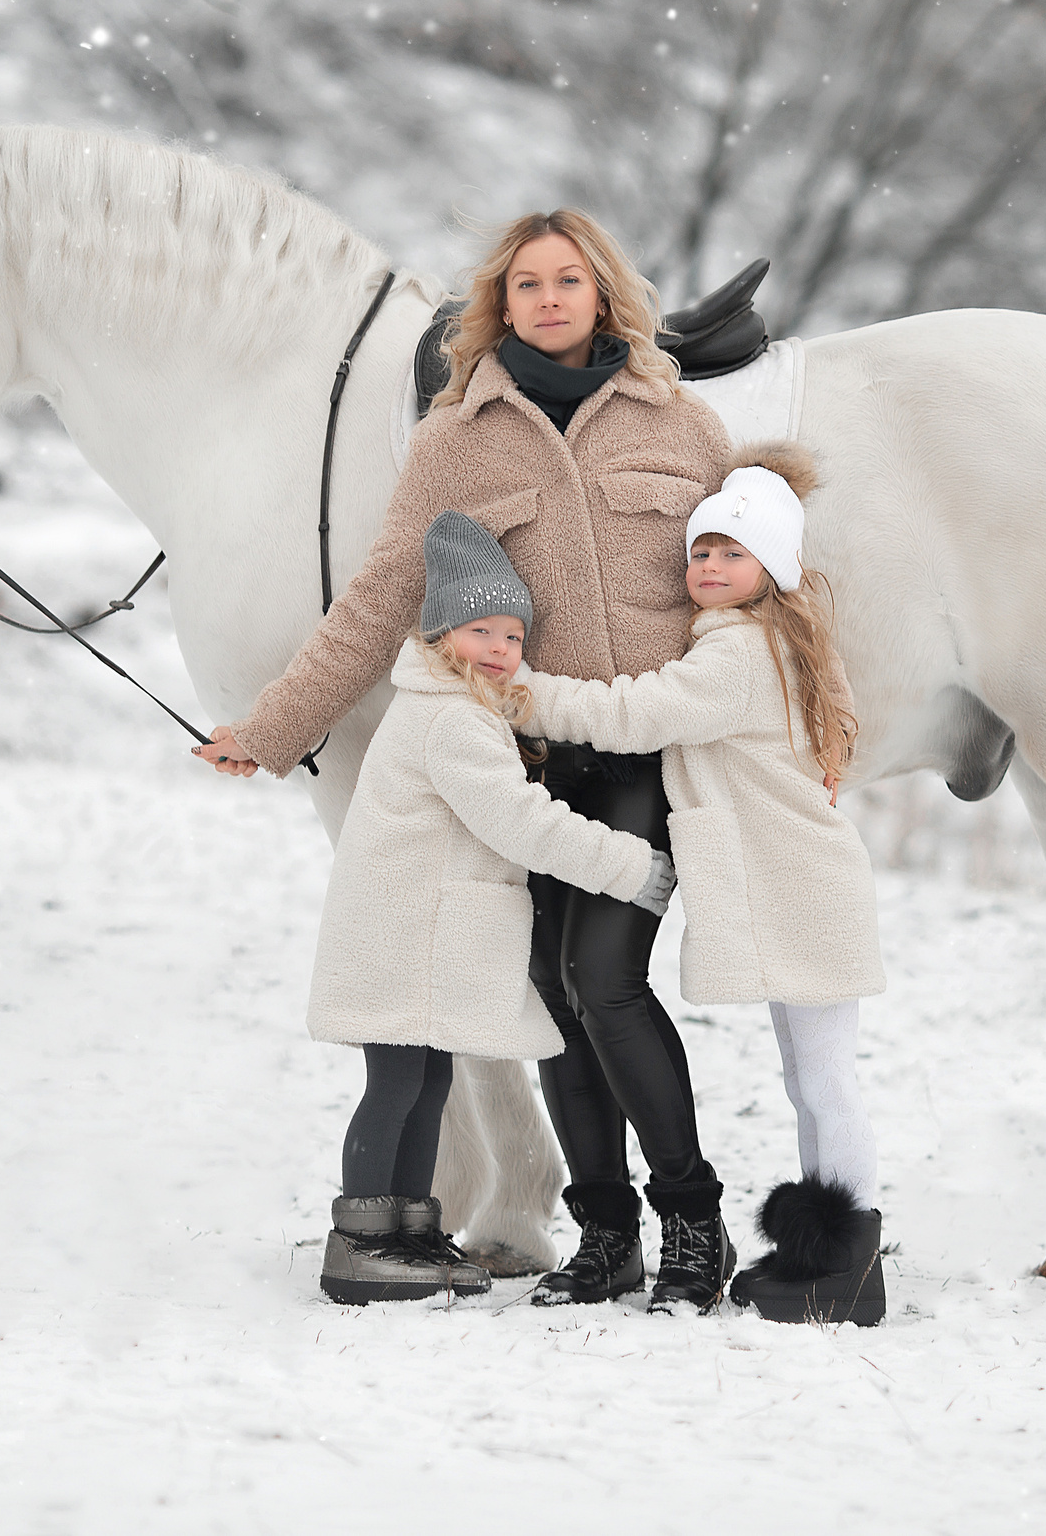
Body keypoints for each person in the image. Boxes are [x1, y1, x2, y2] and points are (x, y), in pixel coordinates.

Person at [199, 210, 739, 1310]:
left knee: (606, 982)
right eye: (527, 283)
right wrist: (271, 728)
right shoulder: (454, 438)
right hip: (522, 760)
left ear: (602, 293)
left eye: (568, 280)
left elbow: (754, 593)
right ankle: (605, 1235)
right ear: (501, 303)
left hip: (639, 752)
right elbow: (383, 594)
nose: (548, 299)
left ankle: (694, 1221)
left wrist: (803, 725)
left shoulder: (682, 423)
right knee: (550, 997)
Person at [519, 447, 890, 1325]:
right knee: (811, 1076)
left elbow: (632, 712)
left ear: (776, 567)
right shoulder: (776, 642)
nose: (710, 566)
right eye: (701, 551)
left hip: (803, 890)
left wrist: (523, 693)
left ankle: (850, 1265)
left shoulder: (736, 656)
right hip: (799, 883)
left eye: (733, 552)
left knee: (825, 1080)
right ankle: (830, 1255)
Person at [300, 512, 678, 1304]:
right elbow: (520, 821)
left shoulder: (459, 706)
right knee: (396, 1086)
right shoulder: (451, 719)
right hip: (406, 934)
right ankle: (361, 1241)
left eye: (513, 634)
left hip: (417, 934)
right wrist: (625, 865)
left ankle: (408, 1229)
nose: (502, 647)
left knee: (426, 1082)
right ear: (442, 636)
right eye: (482, 631)